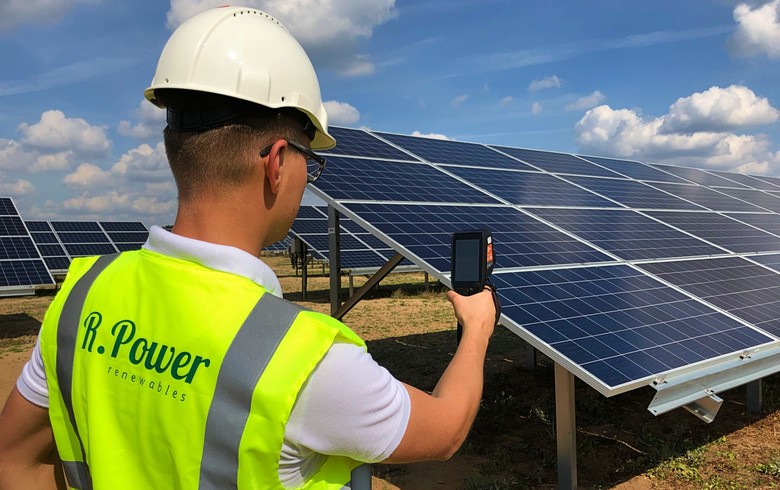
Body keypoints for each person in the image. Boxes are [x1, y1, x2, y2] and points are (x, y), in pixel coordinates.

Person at [0, 6, 497, 489]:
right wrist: (476, 328)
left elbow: (14, 459)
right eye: (311, 162)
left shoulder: (81, 298)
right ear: (278, 162)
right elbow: (446, 429)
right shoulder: (307, 360)